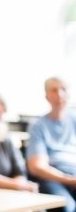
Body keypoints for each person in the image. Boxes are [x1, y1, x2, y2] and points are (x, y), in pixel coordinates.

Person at [27, 77, 76, 212]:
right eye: (54, 90)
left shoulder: (74, 120)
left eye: (63, 89)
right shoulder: (38, 126)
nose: (59, 94)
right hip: (53, 178)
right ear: (46, 96)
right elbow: (37, 167)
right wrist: (69, 180)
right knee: (68, 207)